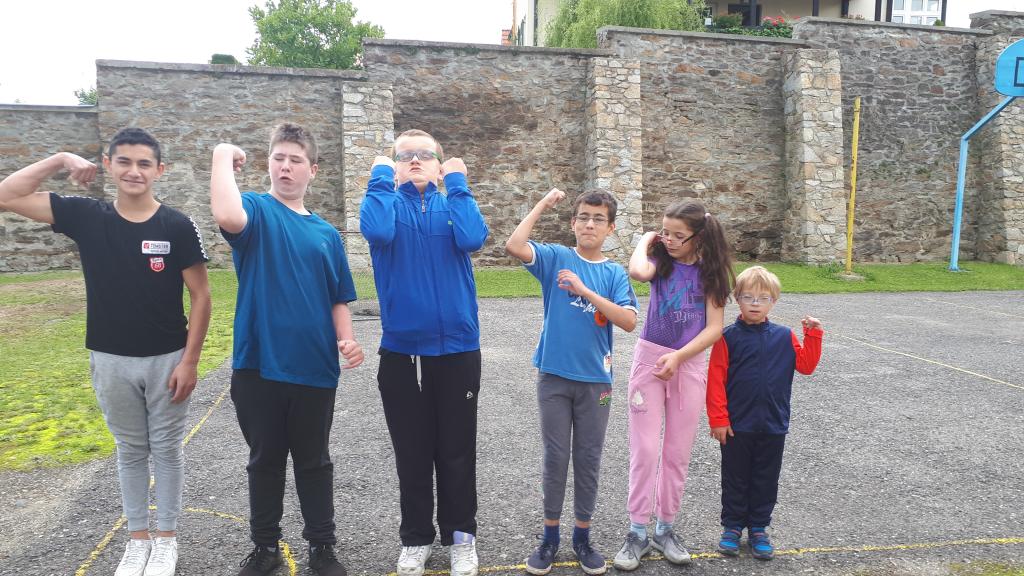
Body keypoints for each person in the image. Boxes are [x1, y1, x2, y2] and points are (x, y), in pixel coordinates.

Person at [0, 127, 211, 576]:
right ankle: (137, 540)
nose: (134, 171)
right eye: (125, 162)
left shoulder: (176, 225)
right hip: (110, 358)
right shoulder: (85, 215)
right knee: (130, 449)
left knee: (167, 450)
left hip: (167, 358)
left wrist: (190, 361)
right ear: (108, 165)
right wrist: (60, 157)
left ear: (160, 170)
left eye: (144, 163)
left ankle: (166, 540)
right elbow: (6, 195)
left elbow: (201, 296)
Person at [210, 123, 364, 576]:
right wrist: (222, 153)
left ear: (312, 170)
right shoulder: (256, 211)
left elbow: (338, 297)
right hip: (258, 365)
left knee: (314, 462)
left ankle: (322, 547)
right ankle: (265, 547)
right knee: (265, 462)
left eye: (296, 160)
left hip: (314, 367)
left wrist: (348, 339)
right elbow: (226, 215)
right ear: (269, 164)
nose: (286, 166)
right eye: (279, 158)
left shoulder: (326, 234)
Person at [360, 129, 488, 576]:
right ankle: (416, 538)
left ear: (439, 165)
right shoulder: (385, 204)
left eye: (425, 155)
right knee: (412, 453)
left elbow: (472, 238)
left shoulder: (453, 203)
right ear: (394, 168)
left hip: (458, 349)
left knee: (457, 450)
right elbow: (375, 230)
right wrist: (380, 177)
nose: (415, 160)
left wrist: (458, 184)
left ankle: (461, 537)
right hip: (403, 353)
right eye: (405, 156)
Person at [506, 187, 639, 576]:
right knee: (556, 456)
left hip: (596, 382)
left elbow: (628, 321)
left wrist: (584, 290)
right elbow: (515, 245)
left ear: (610, 228)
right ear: (573, 222)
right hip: (554, 376)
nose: (589, 224)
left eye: (598, 219)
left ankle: (582, 536)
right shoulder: (557, 258)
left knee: (588, 457)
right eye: (583, 217)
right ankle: (550, 537)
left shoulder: (613, 273)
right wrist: (542, 204)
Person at [612, 199, 734, 570]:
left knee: (677, 453)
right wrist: (646, 239)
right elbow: (637, 272)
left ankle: (665, 529)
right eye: (665, 232)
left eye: (678, 235)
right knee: (645, 450)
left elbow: (714, 328)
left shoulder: (712, 274)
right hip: (650, 362)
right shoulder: (660, 260)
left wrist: (680, 357)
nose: (669, 240)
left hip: (688, 366)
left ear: (699, 237)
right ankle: (637, 531)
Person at [705, 265, 823, 560]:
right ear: (737, 299)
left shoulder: (784, 336)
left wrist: (813, 334)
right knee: (735, 478)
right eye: (748, 297)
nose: (755, 303)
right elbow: (716, 380)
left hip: (773, 423)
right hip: (737, 425)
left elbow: (806, 366)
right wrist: (718, 419)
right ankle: (732, 527)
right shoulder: (726, 337)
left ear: (774, 301)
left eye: (763, 298)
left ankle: (759, 528)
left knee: (765, 479)